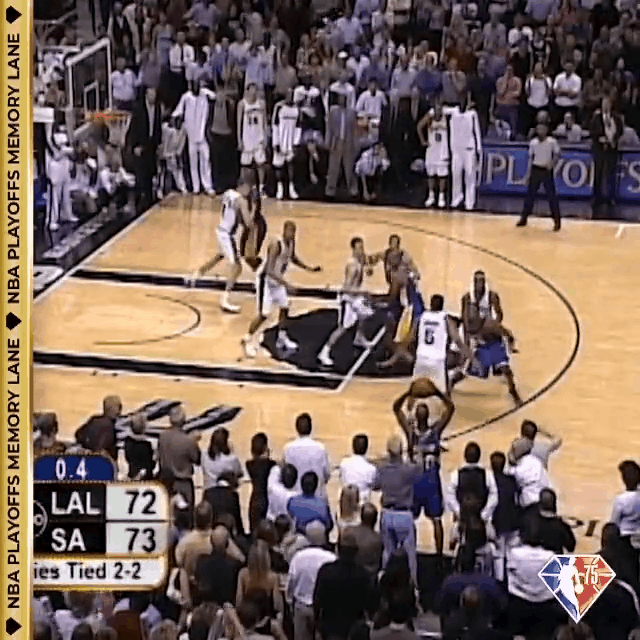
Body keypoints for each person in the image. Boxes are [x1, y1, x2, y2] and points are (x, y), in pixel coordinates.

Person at [242, 220, 321, 358]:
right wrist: (287, 285)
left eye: (294, 232)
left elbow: (293, 257)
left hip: (277, 281)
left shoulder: (290, 243)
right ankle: (247, 340)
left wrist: (308, 268)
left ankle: (281, 338)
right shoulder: (276, 245)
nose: (292, 234)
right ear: (284, 230)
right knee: (264, 314)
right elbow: (269, 270)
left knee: (285, 307)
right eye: (290, 231)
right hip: (266, 281)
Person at [392, 383, 454, 556]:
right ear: (428, 417)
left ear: (416, 417)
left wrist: (408, 392)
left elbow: (396, 408)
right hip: (431, 481)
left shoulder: (410, 433)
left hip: (414, 482)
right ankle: (439, 556)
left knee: (411, 520)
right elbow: (450, 408)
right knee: (436, 520)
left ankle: (408, 551)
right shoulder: (435, 431)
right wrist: (437, 393)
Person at [193, 179, 254, 313]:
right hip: (227, 235)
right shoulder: (241, 200)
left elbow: (228, 213)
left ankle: (197, 274)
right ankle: (225, 299)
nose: (249, 191)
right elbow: (248, 223)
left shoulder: (228, 193)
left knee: (220, 255)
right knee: (237, 267)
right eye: (249, 188)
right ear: (242, 186)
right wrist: (253, 214)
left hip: (221, 229)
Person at [317, 237, 376, 367]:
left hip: (356, 298)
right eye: (359, 248)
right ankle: (324, 352)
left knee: (366, 313)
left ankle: (359, 337)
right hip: (348, 299)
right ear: (353, 249)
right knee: (342, 328)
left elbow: (368, 267)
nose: (361, 250)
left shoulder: (360, 260)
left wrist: (369, 269)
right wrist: (363, 292)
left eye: (362, 247)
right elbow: (347, 288)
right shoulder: (352, 266)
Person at [372, 435, 422, 585]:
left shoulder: (382, 469)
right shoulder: (409, 469)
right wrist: (417, 455)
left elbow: (375, 485)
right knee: (410, 555)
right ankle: (413, 587)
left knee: (388, 552)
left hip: (387, 514)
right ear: (401, 451)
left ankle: (384, 587)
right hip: (404, 515)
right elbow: (420, 472)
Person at [313, 531, 372, 640]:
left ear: (338, 549)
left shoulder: (326, 571)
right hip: (354, 631)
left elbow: (317, 601)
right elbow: (369, 604)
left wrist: (317, 624)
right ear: (356, 551)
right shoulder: (363, 575)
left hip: (330, 628)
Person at [413, 294, 474, 394]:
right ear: (442, 305)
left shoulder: (421, 317)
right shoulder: (446, 319)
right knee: (443, 393)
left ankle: (409, 404)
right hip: (437, 360)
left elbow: (412, 337)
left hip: (421, 358)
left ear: (430, 304)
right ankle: (451, 378)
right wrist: (472, 357)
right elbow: (457, 341)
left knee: (415, 390)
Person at [465, 302, 522, 405]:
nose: (471, 315)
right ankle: (451, 383)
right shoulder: (468, 325)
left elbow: (507, 334)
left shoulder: (490, 324)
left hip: (495, 347)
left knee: (507, 371)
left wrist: (510, 347)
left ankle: (513, 392)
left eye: (473, 313)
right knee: (466, 372)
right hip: (481, 348)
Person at [287, 522, 336, 640]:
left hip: (301, 606)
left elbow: (291, 583)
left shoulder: (298, 557)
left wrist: (290, 603)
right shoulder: (331, 558)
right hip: (323, 609)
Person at [171, 78, 215, 195]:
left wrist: (205, 91)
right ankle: (196, 187)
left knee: (205, 161)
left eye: (198, 85)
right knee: (193, 163)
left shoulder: (204, 94)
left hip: (202, 135)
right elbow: (177, 112)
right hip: (191, 136)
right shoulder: (186, 97)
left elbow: (214, 96)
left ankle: (208, 186)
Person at [517, 119, 562, 231]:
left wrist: (552, 164)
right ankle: (524, 218)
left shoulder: (551, 142)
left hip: (546, 170)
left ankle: (557, 221)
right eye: (539, 129)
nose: (541, 131)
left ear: (546, 130)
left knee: (551, 196)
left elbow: (557, 154)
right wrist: (528, 174)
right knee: (530, 195)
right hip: (535, 169)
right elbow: (530, 159)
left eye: (543, 129)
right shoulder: (533, 143)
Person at [126, 86, 162, 210]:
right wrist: (134, 146)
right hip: (140, 145)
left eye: (155, 94)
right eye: (151, 94)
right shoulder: (138, 108)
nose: (153, 97)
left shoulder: (157, 107)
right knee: (140, 175)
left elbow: (158, 126)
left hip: (152, 144)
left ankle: (149, 201)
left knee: (150, 173)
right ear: (146, 94)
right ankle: (137, 203)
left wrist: (159, 143)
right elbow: (133, 128)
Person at [589, 95, 623, 216]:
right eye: (604, 104)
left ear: (611, 105)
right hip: (600, 149)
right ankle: (596, 197)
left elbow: (620, 130)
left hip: (612, 149)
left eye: (608, 104)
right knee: (598, 173)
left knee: (611, 173)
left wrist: (614, 139)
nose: (606, 106)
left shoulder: (616, 118)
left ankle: (611, 197)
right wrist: (600, 138)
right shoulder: (596, 118)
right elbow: (592, 131)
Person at [283, 413, 331, 495]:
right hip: (317, 496)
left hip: (294, 496)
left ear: (296, 428)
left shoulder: (288, 449)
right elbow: (326, 475)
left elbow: (284, 476)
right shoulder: (321, 448)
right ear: (311, 428)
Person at [449, 96, 483, 211]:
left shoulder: (472, 114)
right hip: (456, 149)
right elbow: (439, 110)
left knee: (470, 175)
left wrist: (478, 149)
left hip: (469, 149)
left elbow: (477, 132)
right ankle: (456, 198)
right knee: (456, 174)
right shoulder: (454, 112)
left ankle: (470, 202)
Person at [418, 102, 450, 209]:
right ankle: (431, 196)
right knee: (430, 174)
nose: (438, 112)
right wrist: (423, 141)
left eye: (440, 109)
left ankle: (441, 197)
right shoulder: (429, 117)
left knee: (442, 175)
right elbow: (419, 126)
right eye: (436, 109)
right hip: (432, 149)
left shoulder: (446, 116)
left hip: (443, 150)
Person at [238, 83, 268, 195]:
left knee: (261, 164)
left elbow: (265, 122)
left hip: (258, 136)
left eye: (255, 90)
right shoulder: (242, 104)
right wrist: (239, 139)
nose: (254, 92)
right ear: (247, 91)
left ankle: (261, 188)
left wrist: (266, 137)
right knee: (246, 165)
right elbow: (239, 123)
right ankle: (247, 187)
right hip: (247, 137)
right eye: (251, 90)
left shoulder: (261, 104)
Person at [272, 89, 301, 200]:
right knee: (278, 165)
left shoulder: (297, 108)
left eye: (292, 95)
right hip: (280, 139)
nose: (290, 96)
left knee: (290, 164)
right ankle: (279, 188)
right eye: (288, 94)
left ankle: (291, 188)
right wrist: (276, 142)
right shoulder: (279, 107)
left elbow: (298, 126)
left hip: (291, 140)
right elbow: (275, 125)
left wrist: (296, 142)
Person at [75, 395, 121, 461]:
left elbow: (78, 434)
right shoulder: (116, 424)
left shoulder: (94, 419)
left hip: (88, 458)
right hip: (105, 461)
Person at [246, 432, 277, 532]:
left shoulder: (249, 464)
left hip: (255, 501)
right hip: (268, 500)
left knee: (254, 531)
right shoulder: (271, 464)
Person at [339, 434, 377, 503]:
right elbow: (374, 486)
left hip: (346, 502)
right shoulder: (371, 469)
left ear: (353, 447)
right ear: (366, 448)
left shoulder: (344, 463)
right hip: (363, 503)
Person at [124, 412, 155, 480]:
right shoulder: (146, 445)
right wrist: (155, 459)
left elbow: (127, 458)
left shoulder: (128, 441)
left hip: (132, 474)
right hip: (145, 478)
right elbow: (150, 465)